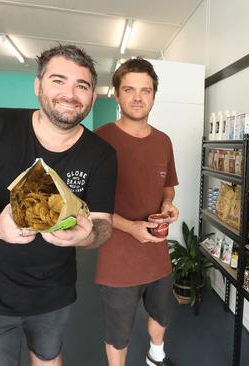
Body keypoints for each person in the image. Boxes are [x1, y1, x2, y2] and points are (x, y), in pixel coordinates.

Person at [0, 44, 117, 366]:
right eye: (58, 80)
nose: (70, 94)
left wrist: (85, 236)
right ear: (38, 84)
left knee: (48, 357)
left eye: (82, 85)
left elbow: (103, 224)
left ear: (91, 95)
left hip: (54, 293)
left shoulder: (101, 154)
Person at [95, 58, 179, 366]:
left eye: (145, 90)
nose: (138, 97)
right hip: (117, 257)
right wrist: (130, 227)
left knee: (161, 312)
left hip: (157, 251)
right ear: (116, 94)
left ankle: (156, 356)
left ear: (154, 95)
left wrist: (168, 204)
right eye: (129, 89)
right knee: (119, 331)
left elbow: (168, 186)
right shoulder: (99, 140)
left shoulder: (163, 141)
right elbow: (87, 205)